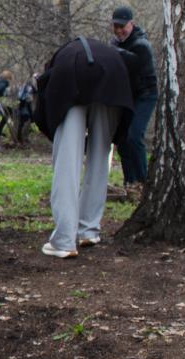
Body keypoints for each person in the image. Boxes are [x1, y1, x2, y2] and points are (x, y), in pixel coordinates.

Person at [33, 36, 138, 257]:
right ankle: (88, 230)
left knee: (67, 161)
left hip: (71, 81)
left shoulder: (59, 61)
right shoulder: (106, 52)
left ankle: (64, 240)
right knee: (100, 156)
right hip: (112, 82)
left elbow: (45, 108)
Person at [110, 6, 157, 194]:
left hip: (145, 95)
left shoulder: (141, 45)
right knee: (122, 140)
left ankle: (143, 182)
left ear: (132, 24)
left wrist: (112, 52)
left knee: (134, 136)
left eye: (123, 26)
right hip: (128, 97)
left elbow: (132, 63)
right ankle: (130, 182)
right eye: (116, 26)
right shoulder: (116, 44)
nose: (119, 30)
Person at [14, 76, 36, 146]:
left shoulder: (22, 87)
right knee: (25, 122)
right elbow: (34, 92)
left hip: (21, 106)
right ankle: (22, 138)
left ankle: (20, 138)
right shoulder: (29, 88)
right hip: (25, 106)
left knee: (22, 123)